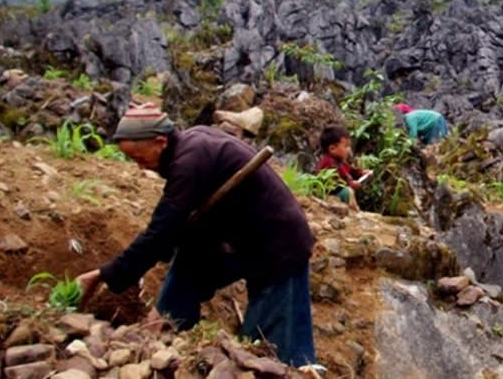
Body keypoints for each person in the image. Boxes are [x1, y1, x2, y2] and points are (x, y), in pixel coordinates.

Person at [75, 103, 317, 368]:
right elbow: (175, 233)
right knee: (191, 256)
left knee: (268, 347)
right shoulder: (191, 145)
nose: (140, 168)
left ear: (160, 142)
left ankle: (292, 368)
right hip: (242, 240)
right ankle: (166, 323)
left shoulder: (189, 161)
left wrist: (104, 275)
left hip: (279, 246)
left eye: (140, 158)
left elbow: (160, 233)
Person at [316, 125, 371, 211]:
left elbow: (351, 170)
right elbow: (336, 183)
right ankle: (354, 212)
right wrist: (351, 184)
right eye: (346, 146)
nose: (348, 150)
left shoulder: (338, 162)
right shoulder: (328, 163)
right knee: (347, 192)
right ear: (332, 149)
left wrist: (362, 172)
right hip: (330, 197)